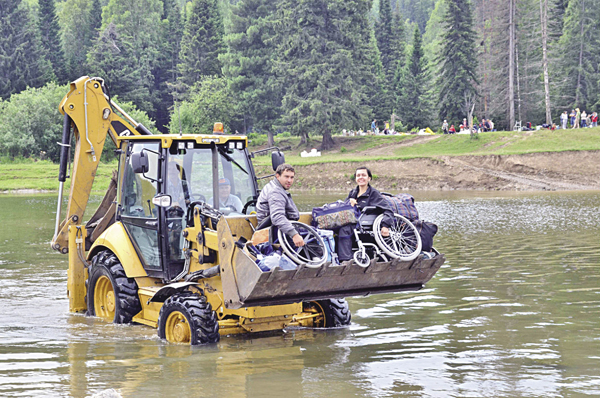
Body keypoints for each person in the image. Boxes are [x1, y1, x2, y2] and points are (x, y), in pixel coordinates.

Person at [336, 166, 393, 262]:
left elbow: (388, 211)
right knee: (333, 228)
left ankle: (345, 260)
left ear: (369, 178)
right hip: (354, 222)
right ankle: (333, 258)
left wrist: (385, 225)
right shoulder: (353, 192)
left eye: (363, 175)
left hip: (366, 226)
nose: (361, 177)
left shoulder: (374, 194)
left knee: (345, 229)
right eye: (358, 175)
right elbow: (344, 210)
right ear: (355, 179)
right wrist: (348, 203)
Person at [256, 163, 304, 247]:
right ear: (277, 176)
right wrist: (294, 234)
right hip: (274, 232)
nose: (289, 180)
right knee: (315, 240)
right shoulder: (275, 191)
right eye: (286, 176)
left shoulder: (275, 187)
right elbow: (277, 217)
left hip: (280, 228)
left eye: (292, 177)